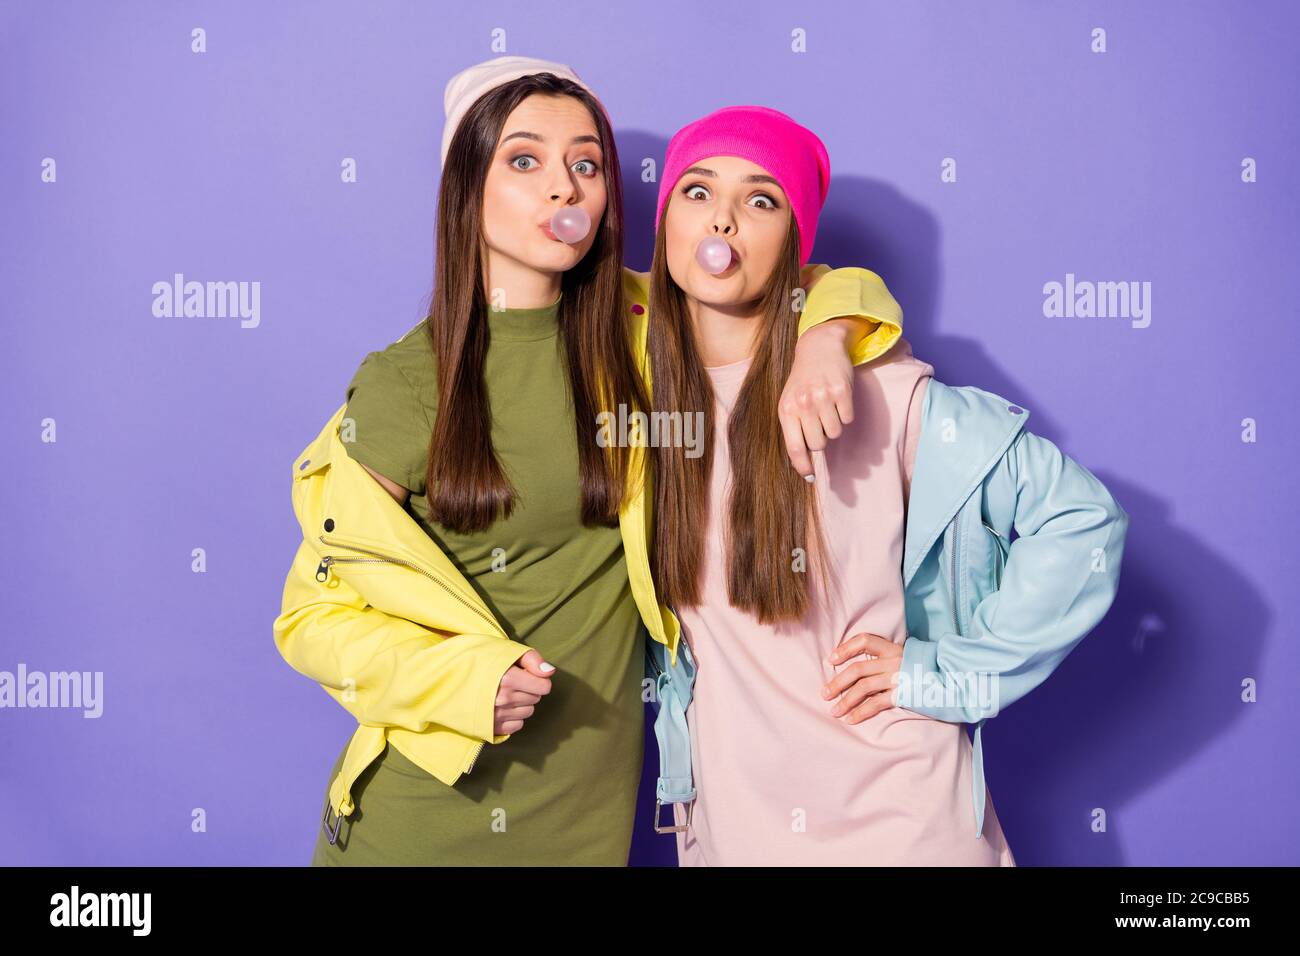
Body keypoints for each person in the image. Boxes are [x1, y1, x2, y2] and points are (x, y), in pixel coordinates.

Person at [272, 59, 893, 865]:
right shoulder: (405, 385)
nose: (564, 188)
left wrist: (825, 341)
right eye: (524, 160)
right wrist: (459, 680)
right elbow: (308, 618)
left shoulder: (642, 332)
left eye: (587, 164)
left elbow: (808, 281)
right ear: (467, 186)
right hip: (425, 821)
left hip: (589, 827)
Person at [644, 105, 1129, 865]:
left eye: (761, 199)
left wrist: (951, 675)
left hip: (902, 828)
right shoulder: (635, 396)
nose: (724, 220)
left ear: (796, 242)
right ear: (667, 216)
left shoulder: (881, 392)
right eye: (697, 191)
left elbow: (1081, 520)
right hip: (737, 831)